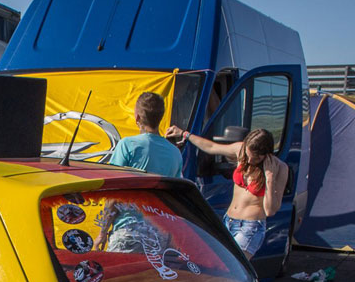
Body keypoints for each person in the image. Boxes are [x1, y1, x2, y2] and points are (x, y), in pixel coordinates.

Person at [175, 128, 288, 259]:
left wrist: (269, 179)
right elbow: (211, 147)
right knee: (220, 265)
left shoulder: (280, 168)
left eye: (256, 158)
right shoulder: (241, 151)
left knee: (234, 267)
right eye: (248, 154)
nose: (250, 160)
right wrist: (185, 134)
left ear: (266, 153)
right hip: (228, 220)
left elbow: (270, 210)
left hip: (250, 227)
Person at [108, 92, 184, 178]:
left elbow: (112, 179)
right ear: (161, 117)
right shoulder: (175, 153)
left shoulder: (127, 145)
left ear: (137, 117)